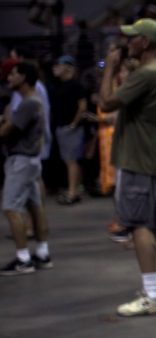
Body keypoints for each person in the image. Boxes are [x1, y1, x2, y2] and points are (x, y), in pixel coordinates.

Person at [97, 18, 156, 316]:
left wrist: (109, 66)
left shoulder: (147, 74)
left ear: (145, 42)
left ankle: (152, 295)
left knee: (138, 225)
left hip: (138, 160)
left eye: (133, 38)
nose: (128, 42)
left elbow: (107, 101)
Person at [1, 62, 52, 275]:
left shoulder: (28, 103)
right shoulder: (32, 101)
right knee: (35, 207)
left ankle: (23, 259)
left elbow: (6, 132)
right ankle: (42, 253)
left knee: (11, 208)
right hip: (31, 161)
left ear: (22, 77)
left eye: (12, 74)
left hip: (21, 161)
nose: (8, 78)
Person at [49, 55, 88, 205]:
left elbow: (82, 106)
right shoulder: (60, 85)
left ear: (67, 67)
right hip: (63, 127)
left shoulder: (75, 85)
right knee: (70, 160)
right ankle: (76, 190)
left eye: (58, 65)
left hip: (70, 128)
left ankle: (73, 191)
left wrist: (73, 124)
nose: (55, 68)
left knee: (71, 160)